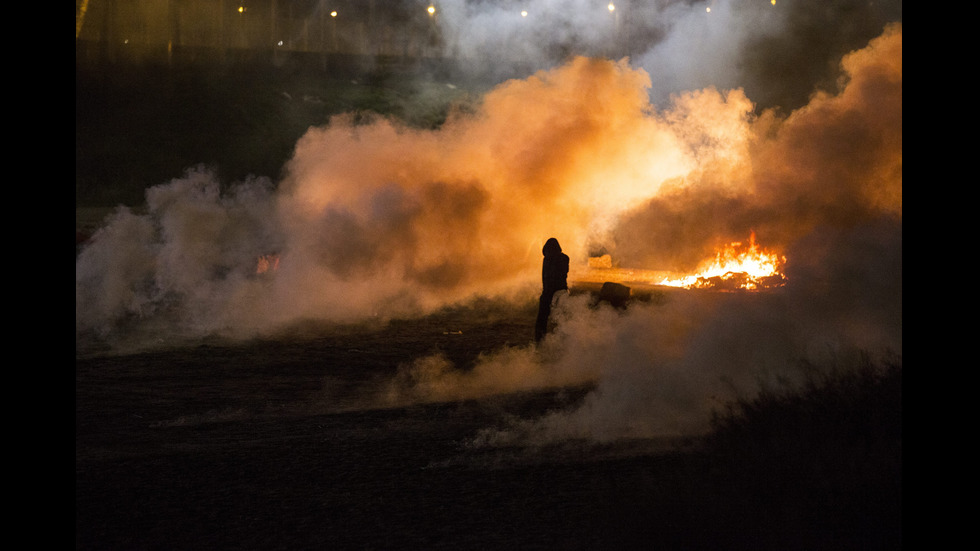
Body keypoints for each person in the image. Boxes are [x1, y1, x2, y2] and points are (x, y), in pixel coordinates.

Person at [535, 237, 570, 342]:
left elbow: (547, 277)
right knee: (560, 317)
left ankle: (541, 340)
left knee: (543, 319)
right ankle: (561, 340)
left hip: (551, 291)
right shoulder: (564, 258)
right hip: (559, 291)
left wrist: (546, 290)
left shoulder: (548, 259)